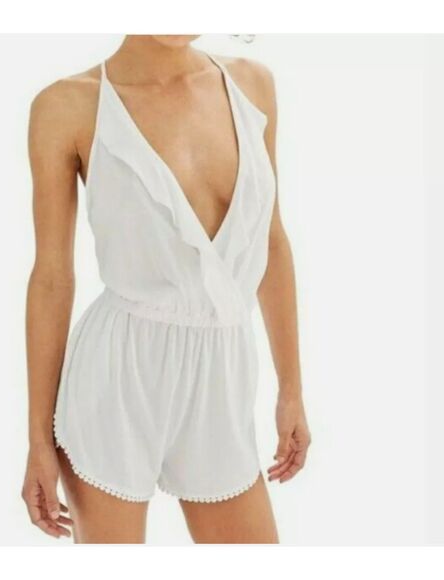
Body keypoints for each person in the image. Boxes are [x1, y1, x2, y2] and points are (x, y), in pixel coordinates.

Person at [22, 34, 311, 544]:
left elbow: (271, 240)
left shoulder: (252, 85)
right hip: (117, 380)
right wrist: (37, 439)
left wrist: (291, 389)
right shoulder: (68, 106)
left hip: (222, 378)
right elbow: (52, 278)